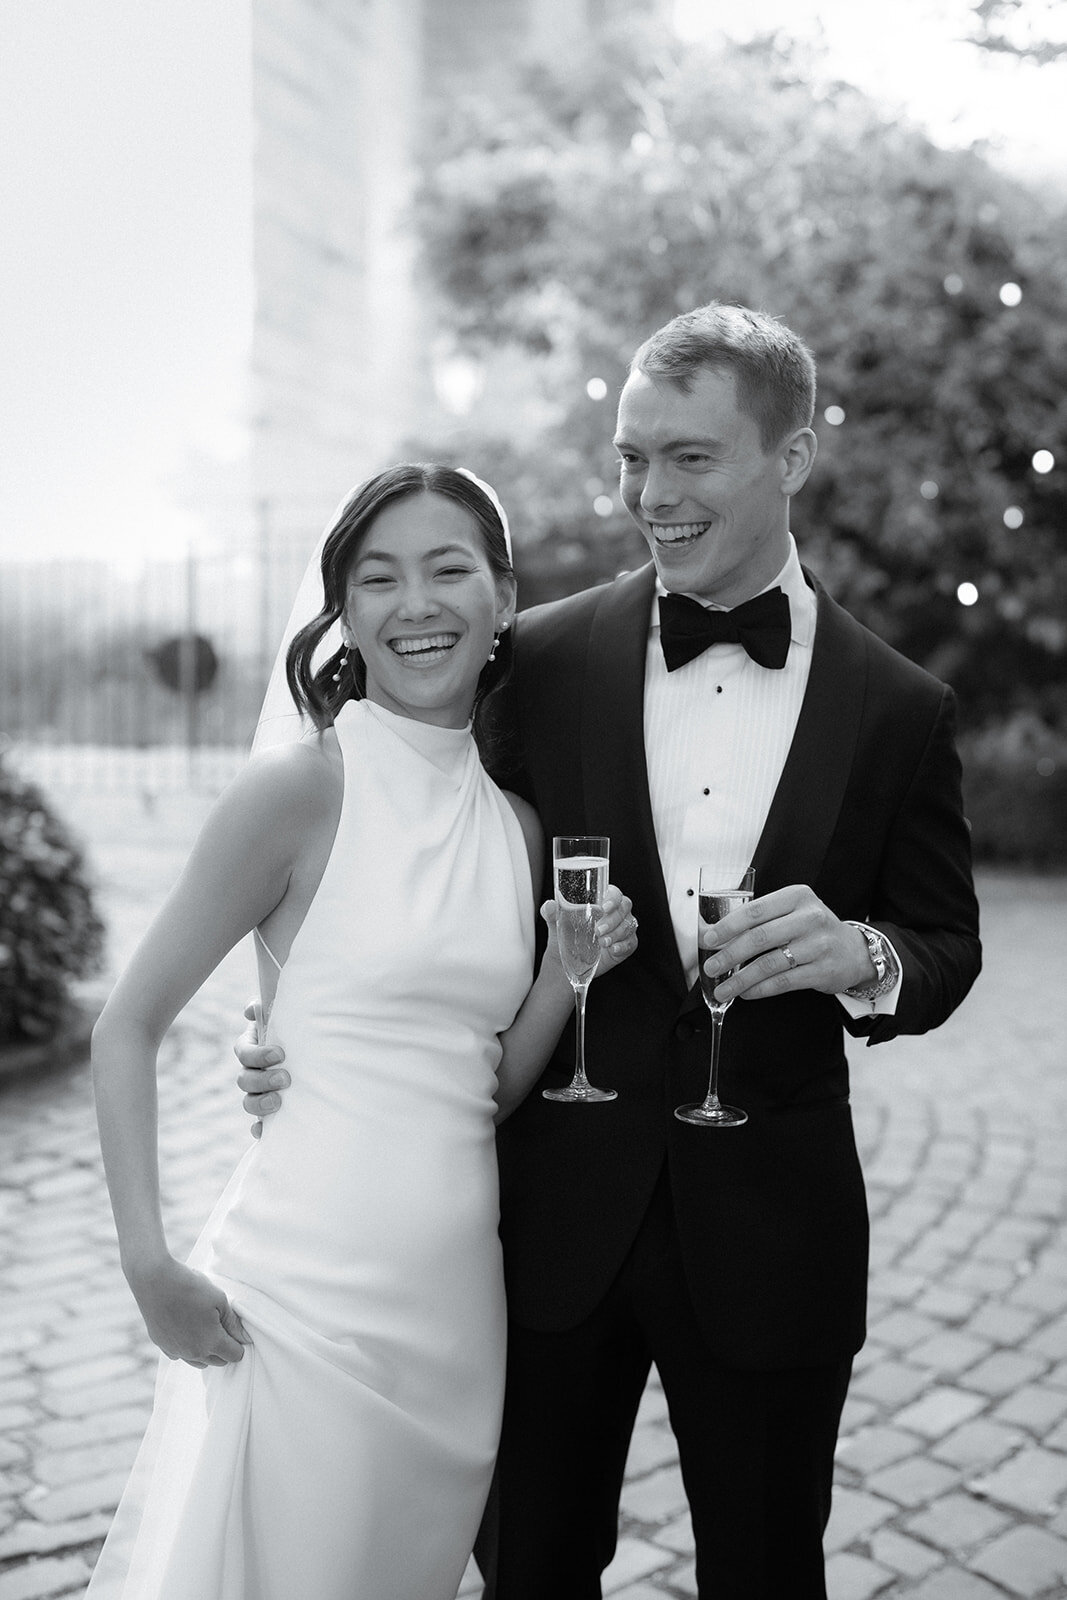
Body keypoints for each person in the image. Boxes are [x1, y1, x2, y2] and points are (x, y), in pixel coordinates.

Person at [237, 306, 982, 1598]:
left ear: (792, 455)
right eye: (632, 457)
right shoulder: (536, 658)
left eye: (689, 458)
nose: (648, 494)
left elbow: (943, 945)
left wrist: (857, 954)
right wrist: (281, 1027)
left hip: (772, 1232)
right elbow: (388, 836)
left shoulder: (898, 708)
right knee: (528, 1568)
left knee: (764, 1570)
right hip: (540, 1224)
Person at [87, 462, 638, 1600]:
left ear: (500, 596)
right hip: (299, 1311)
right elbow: (128, 1025)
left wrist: (560, 977)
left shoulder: (519, 825)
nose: (414, 602)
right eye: (377, 578)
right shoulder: (299, 793)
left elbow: (474, 1090)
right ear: (343, 610)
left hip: (451, 1323)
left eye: (446, 569)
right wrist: (149, 1259)